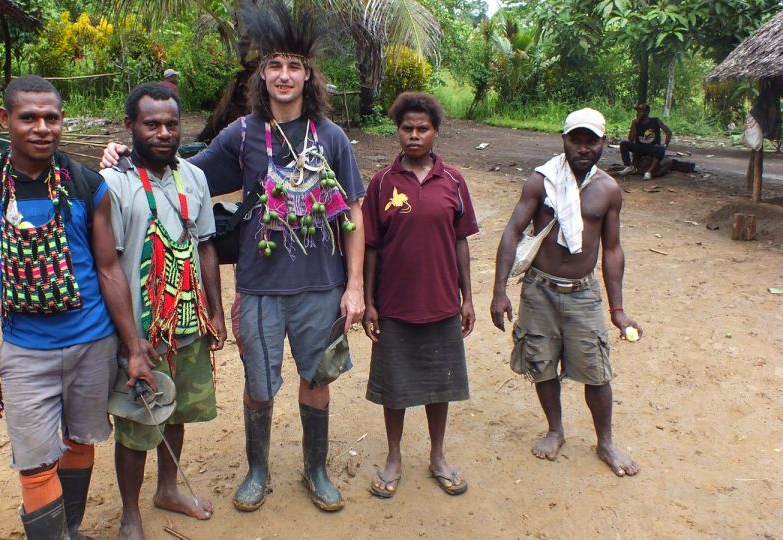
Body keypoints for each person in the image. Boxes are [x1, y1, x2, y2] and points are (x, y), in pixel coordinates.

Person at [102, 1, 365, 512]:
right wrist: (124, 154)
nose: (284, 75)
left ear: (307, 75)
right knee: (259, 386)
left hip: (320, 287)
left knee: (317, 381)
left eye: (294, 65)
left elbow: (352, 211)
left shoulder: (329, 138)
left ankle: (316, 469)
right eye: (274, 65)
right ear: (261, 75)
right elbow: (183, 170)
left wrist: (354, 285)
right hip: (260, 287)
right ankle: (258, 470)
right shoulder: (243, 134)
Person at [0, 75, 158, 539]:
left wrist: (133, 347)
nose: (42, 127)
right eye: (29, 117)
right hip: (26, 352)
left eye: (52, 117)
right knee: (34, 461)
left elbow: (108, 269)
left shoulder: (87, 185)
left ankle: (68, 528)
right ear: (5, 120)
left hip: (92, 343)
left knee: (79, 441)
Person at [100, 82, 226, 538]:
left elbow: (206, 244)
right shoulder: (113, 184)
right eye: (151, 124)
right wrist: (129, 339)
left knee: (177, 410)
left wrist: (216, 310)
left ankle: (168, 489)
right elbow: (107, 264)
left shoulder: (192, 176)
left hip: (188, 323)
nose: (163, 133)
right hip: (140, 331)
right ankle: (130, 513)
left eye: (172, 124)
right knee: (138, 420)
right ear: (130, 126)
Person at [490, 108, 642, 477]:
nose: (583, 147)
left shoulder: (607, 190)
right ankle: (555, 430)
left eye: (591, 140)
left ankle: (605, 441)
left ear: (604, 143)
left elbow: (612, 249)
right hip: (539, 291)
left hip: (583, 294)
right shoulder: (541, 181)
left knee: (597, 372)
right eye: (577, 139)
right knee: (541, 364)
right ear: (564, 140)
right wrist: (499, 291)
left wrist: (617, 308)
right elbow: (512, 232)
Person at [362, 92, 477, 498]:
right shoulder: (382, 183)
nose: (414, 135)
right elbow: (371, 246)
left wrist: (467, 298)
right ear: (398, 131)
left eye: (422, 129)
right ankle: (393, 457)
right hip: (394, 304)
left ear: (435, 132)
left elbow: (461, 241)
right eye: (407, 128)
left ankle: (438, 456)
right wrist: (370, 302)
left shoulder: (454, 181)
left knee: (438, 384)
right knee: (395, 387)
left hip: (442, 302)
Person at [619, 103, 672, 180]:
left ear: (646, 112)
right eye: (638, 111)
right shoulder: (636, 123)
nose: (638, 113)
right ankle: (630, 167)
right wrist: (633, 125)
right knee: (624, 144)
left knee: (661, 149)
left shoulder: (655, 121)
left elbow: (668, 132)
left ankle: (649, 172)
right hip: (640, 147)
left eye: (641, 111)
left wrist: (665, 145)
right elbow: (631, 139)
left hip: (652, 147)